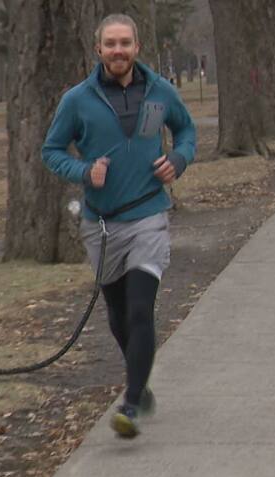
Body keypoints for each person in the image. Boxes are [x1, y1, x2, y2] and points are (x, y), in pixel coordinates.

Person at [42, 13, 196, 439]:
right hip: (102, 224)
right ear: (98, 50)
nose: (118, 50)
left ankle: (130, 401)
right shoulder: (77, 100)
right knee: (117, 314)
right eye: (110, 44)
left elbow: (186, 130)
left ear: (137, 47)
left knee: (140, 308)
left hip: (148, 215)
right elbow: (51, 150)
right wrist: (83, 171)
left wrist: (178, 159)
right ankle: (140, 382)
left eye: (125, 43)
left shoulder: (160, 91)